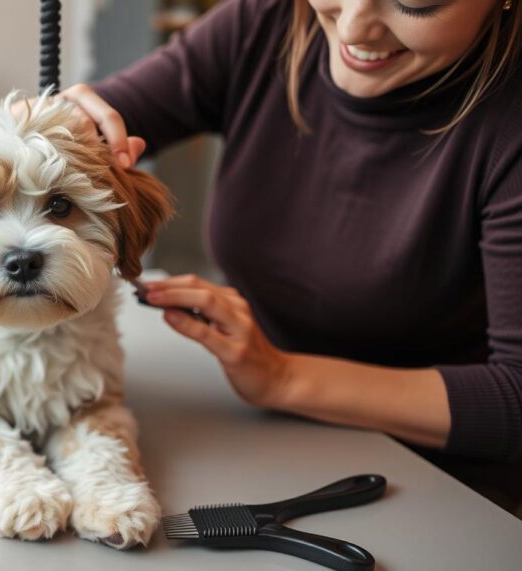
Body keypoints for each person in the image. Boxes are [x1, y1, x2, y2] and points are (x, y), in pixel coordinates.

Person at [62, 0, 522, 512]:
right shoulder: (268, 20)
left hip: (446, 487)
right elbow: (92, 125)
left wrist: (282, 376)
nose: (352, 28)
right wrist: (41, 124)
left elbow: (515, 402)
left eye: (414, 3)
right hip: (263, 432)